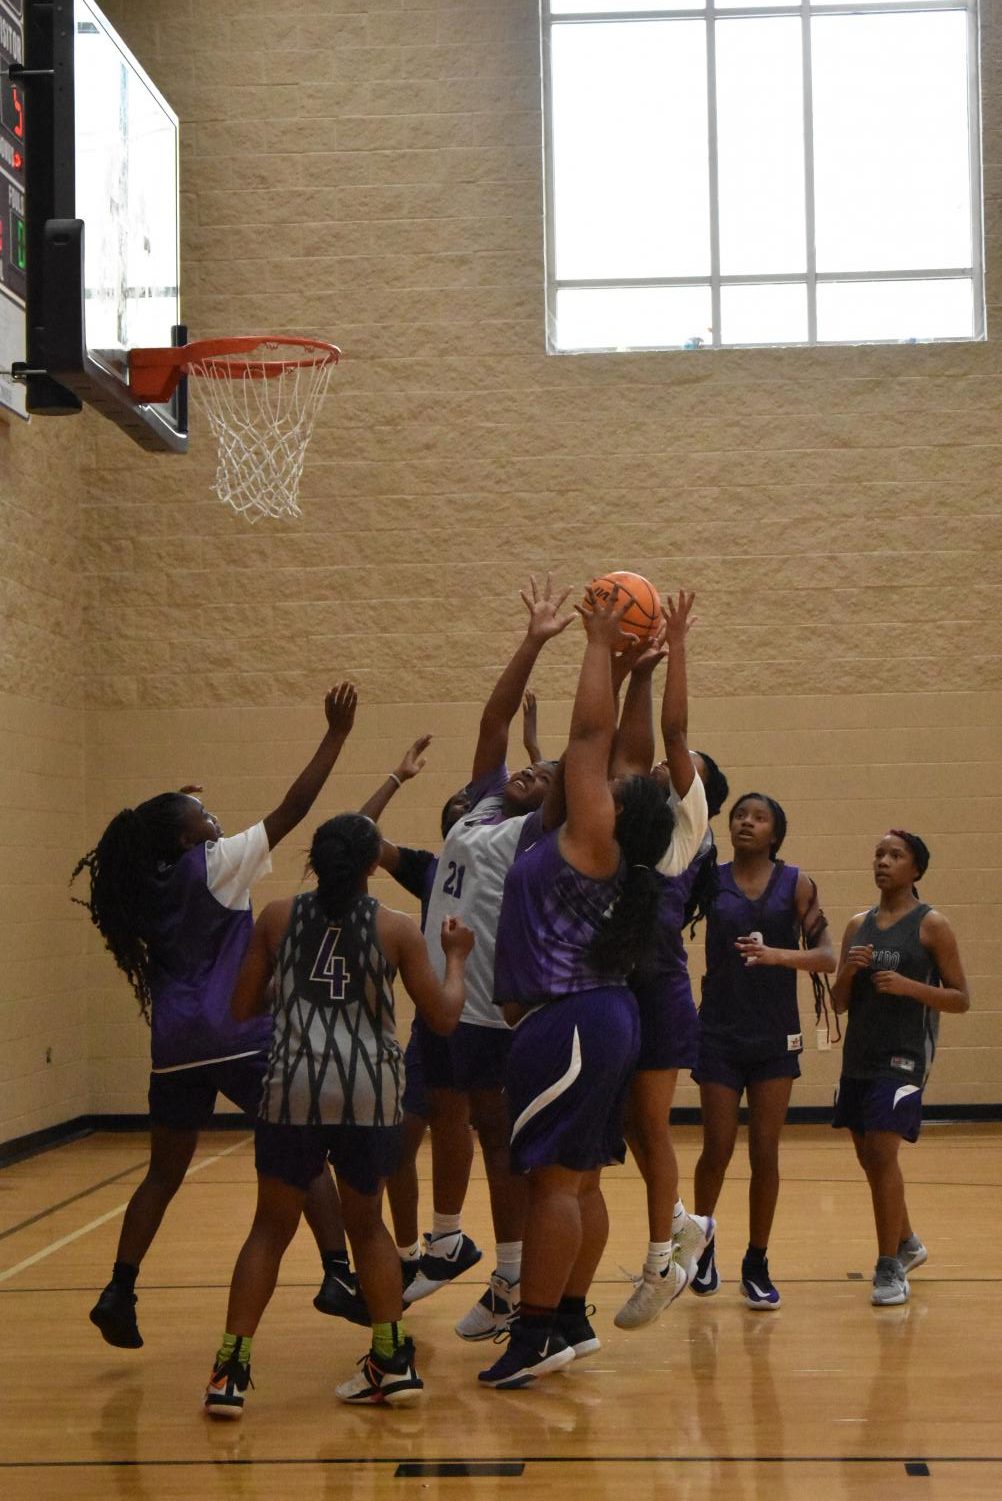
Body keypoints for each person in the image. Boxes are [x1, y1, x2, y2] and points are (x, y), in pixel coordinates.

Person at [72, 683, 360, 1349]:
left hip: (175, 1043)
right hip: (238, 1033)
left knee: (162, 1173)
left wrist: (175, 806)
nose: (216, 819)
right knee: (308, 1146)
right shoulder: (219, 864)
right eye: (204, 813)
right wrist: (336, 736)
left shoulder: (143, 885)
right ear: (185, 835)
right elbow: (293, 808)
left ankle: (119, 1286)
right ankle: (338, 1272)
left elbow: (154, 838)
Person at [203, 814, 474, 1417]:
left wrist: (292, 989)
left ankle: (229, 1371)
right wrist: (457, 958)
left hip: (293, 1087)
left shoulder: (277, 917)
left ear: (315, 863)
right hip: (368, 1093)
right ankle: (392, 1360)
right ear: (372, 866)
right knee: (369, 1228)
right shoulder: (398, 930)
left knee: (269, 1229)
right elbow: (446, 1017)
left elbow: (243, 1006)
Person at [479, 584, 680, 1389]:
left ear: (614, 806)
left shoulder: (594, 835)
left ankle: (531, 1336)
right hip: (601, 1018)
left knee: (552, 1184)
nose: (607, 775)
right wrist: (639, 676)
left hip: (567, 1023)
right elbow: (621, 749)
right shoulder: (614, 840)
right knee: (583, 1178)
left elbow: (591, 737)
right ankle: (567, 1316)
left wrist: (599, 641)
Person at [409, 575, 574, 1342]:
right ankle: (453, 1241)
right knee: (454, 1123)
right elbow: (493, 718)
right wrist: (534, 641)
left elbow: (579, 769)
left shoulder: (534, 835)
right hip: (443, 1000)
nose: (526, 770)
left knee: (500, 1141)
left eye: (540, 775)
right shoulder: (481, 807)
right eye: (525, 767)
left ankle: (512, 1277)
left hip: (488, 1009)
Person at [690, 790, 836, 1310]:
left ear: (776, 832)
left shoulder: (796, 882)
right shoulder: (711, 878)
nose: (746, 823)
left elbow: (827, 957)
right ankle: (701, 1243)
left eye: (759, 817)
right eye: (739, 816)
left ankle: (757, 1259)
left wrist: (776, 956)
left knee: (765, 1151)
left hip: (775, 1035)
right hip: (720, 1033)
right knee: (717, 1147)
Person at [612, 598, 715, 1330]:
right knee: (628, 1123)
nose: (662, 763)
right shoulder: (626, 810)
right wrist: (633, 675)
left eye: (678, 768)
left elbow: (674, 733)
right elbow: (625, 749)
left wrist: (676, 646)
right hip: (618, 983)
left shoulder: (686, 822)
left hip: (658, 987)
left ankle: (661, 1263)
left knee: (650, 1125)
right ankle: (683, 1220)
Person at [831, 829, 970, 1306]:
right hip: (860, 1058)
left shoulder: (932, 926)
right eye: (878, 854)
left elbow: (961, 999)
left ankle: (889, 1266)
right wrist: (848, 971)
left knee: (884, 1155)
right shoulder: (857, 925)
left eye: (895, 855)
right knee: (869, 1158)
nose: (883, 862)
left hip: (904, 1058)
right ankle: (908, 1242)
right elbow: (838, 1002)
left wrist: (911, 988)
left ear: (916, 869)